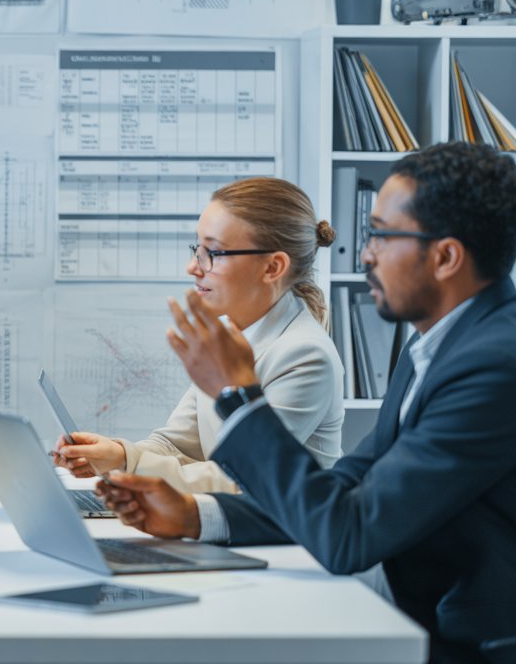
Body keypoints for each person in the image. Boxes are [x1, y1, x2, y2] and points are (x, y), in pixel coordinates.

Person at [99, 142, 516, 664]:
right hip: (405, 607)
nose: (365, 254)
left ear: (447, 257)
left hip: (462, 640)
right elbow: (347, 490)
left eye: (382, 236)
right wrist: (194, 516)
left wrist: (238, 395)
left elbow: (351, 535)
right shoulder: (433, 344)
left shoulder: (495, 366)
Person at [53, 177, 343, 492]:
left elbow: (238, 479)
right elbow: (179, 444)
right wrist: (118, 453)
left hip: (278, 537)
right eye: (197, 248)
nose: (193, 266)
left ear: (272, 267)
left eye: (213, 253)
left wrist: (126, 462)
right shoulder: (230, 334)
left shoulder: (306, 355)